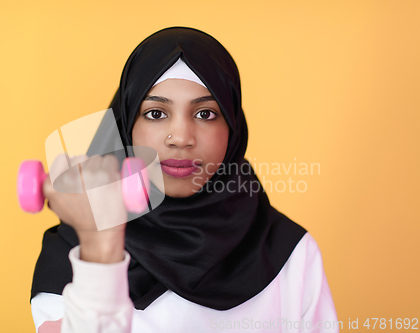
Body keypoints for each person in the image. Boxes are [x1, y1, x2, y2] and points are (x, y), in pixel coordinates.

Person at [30, 26, 340, 332]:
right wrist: (101, 247)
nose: (180, 137)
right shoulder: (75, 253)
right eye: (155, 113)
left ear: (233, 129)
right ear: (126, 126)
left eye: (205, 113)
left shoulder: (292, 255)